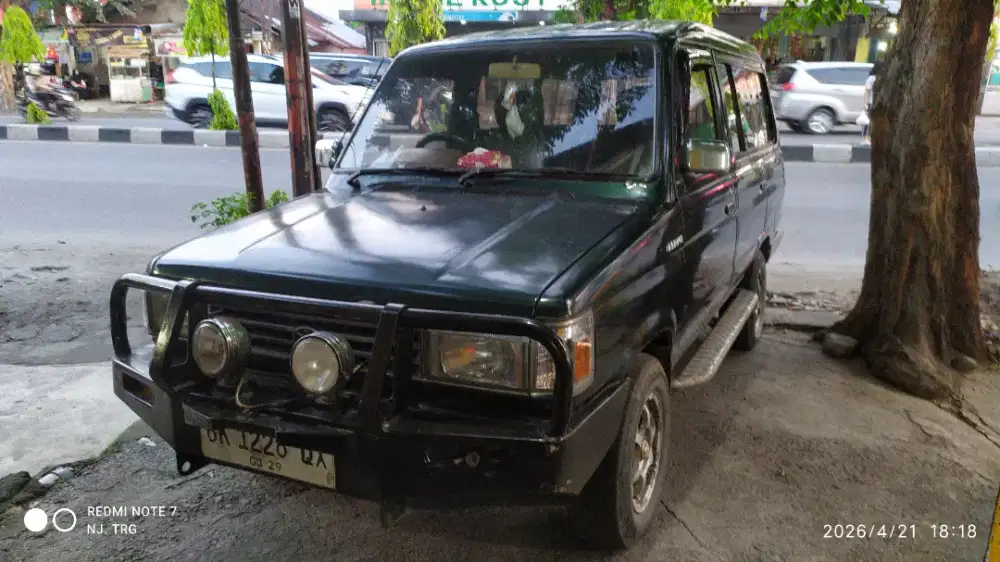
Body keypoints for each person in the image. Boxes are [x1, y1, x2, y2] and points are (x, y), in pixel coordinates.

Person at [862, 62, 881, 144]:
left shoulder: (880, 78)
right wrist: (865, 104)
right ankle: (866, 139)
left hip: (878, 104)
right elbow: (866, 92)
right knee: (868, 122)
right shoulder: (872, 78)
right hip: (871, 103)